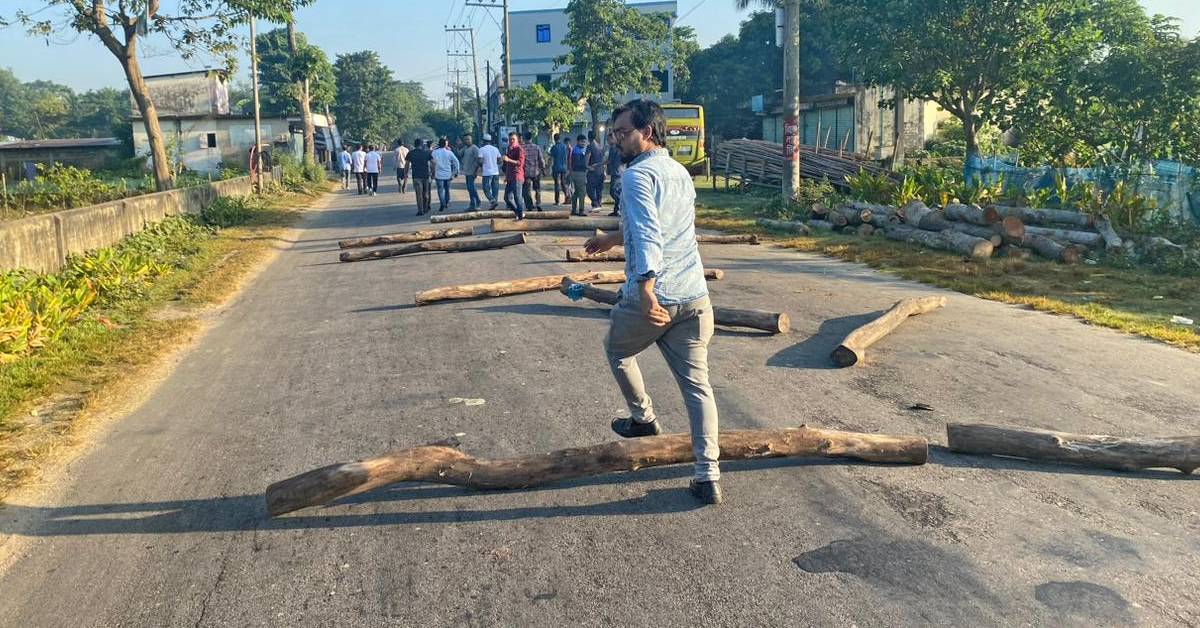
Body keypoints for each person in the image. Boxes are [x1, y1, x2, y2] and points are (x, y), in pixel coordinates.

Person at [583, 99, 722, 505]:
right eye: (613, 133)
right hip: (695, 298)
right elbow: (664, 228)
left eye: (623, 133)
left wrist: (645, 289)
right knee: (698, 387)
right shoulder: (680, 172)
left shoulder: (636, 176)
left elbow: (647, 235)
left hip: (656, 300)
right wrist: (611, 239)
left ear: (647, 132)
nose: (616, 140)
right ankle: (707, 475)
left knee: (617, 350)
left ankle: (644, 418)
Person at [431, 138, 461, 212]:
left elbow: (431, 163)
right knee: (447, 189)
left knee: (440, 190)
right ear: (445, 144)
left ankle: (442, 203)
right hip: (448, 174)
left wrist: (432, 172)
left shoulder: (434, 152)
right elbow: (456, 162)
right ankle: (446, 203)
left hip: (438, 174)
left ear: (439, 144)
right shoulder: (449, 152)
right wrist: (456, 171)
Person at [501, 132, 526, 219]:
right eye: (510, 139)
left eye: (513, 139)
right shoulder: (509, 149)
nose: (511, 141)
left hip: (517, 177)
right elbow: (508, 165)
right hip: (510, 178)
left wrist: (508, 159)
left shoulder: (520, 150)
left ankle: (520, 216)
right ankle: (517, 212)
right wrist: (506, 177)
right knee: (506, 198)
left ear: (517, 140)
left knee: (517, 198)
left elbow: (520, 163)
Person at [407, 139, 433, 215]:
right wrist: (432, 172)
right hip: (426, 176)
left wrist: (405, 174)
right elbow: (433, 163)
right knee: (426, 193)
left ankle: (420, 210)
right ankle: (426, 208)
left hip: (416, 176)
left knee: (419, 194)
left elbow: (407, 165)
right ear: (422, 145)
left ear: (414, 145)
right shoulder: (426, 153)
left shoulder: (411, 153)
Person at [521, 131, 545, 211]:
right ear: (531, 138)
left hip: (526, 173)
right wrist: (543, 169)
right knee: (537, 189)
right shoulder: (536, 147)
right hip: (536, 172)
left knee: (526, 190)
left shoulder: (522, 148)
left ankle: (530, 205)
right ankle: (538, 203)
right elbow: (541, 160)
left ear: (524, 138)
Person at [477, 134, 502, 210]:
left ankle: (492, 200)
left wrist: (481, 165)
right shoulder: (496, 149)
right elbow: (500, 161)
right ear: (490, 141)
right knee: (495, 189)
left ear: (483, 141)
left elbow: (480, 161)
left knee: (486, 188)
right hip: (495, 172)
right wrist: (494, 162)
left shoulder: (481, 149)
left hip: (487, 173)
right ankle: (494, 204)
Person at [567, 134, 589, 216]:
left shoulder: (575, 150)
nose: (583, 144)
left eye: (584, 142)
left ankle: (573, 209)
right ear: (578, 141)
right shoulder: (578, 151)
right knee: (582, 193)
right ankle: (581, 210)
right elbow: (578, 164)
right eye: (582, 142)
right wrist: (587, 166)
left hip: (574, 173)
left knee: (575, 193)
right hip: (579, 173)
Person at [459, 134, 481, 211]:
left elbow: (479, 161)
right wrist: (460, 146)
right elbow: (459, 155)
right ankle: (473, 203)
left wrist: (476, 171)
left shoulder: (475, 148)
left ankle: (475, 202)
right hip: (467, 171)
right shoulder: (465, 148)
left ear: (471, 140)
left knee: (471, 187)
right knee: (470, 188)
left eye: (468, 139)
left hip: (472, 171)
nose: (467, 141)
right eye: (465, 139)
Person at [605, 131, 625, 216]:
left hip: (617, 172)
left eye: (608, 139)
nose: (607, 141)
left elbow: (609, 161)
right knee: (617, 191)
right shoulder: (618, 147)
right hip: (619, 171)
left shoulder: (614, 148)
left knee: (613, 191)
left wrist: (599, 164)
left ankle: (621, 207)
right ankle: (617, 209)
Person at [586, 131, 607, 210]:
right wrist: (604, 171)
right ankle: (599, 203)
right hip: (601, 170)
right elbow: (603, 159)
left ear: (588, 137)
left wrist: (587, 166)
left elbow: (587, 158)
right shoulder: (601, 146)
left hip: (593, 170)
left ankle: (595, 203)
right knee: (599, 188)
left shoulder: (590, 146)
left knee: (590, 188)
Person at [549, 133, 570, 205]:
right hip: (564, 167)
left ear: (554, 139)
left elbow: (551, 158)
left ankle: (557, 201)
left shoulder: (554, 147)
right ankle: (567, 197)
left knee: (557, 184)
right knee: (564, 183)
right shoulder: (564, 147)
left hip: (556, 167)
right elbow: (566, 157)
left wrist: (549, 168)